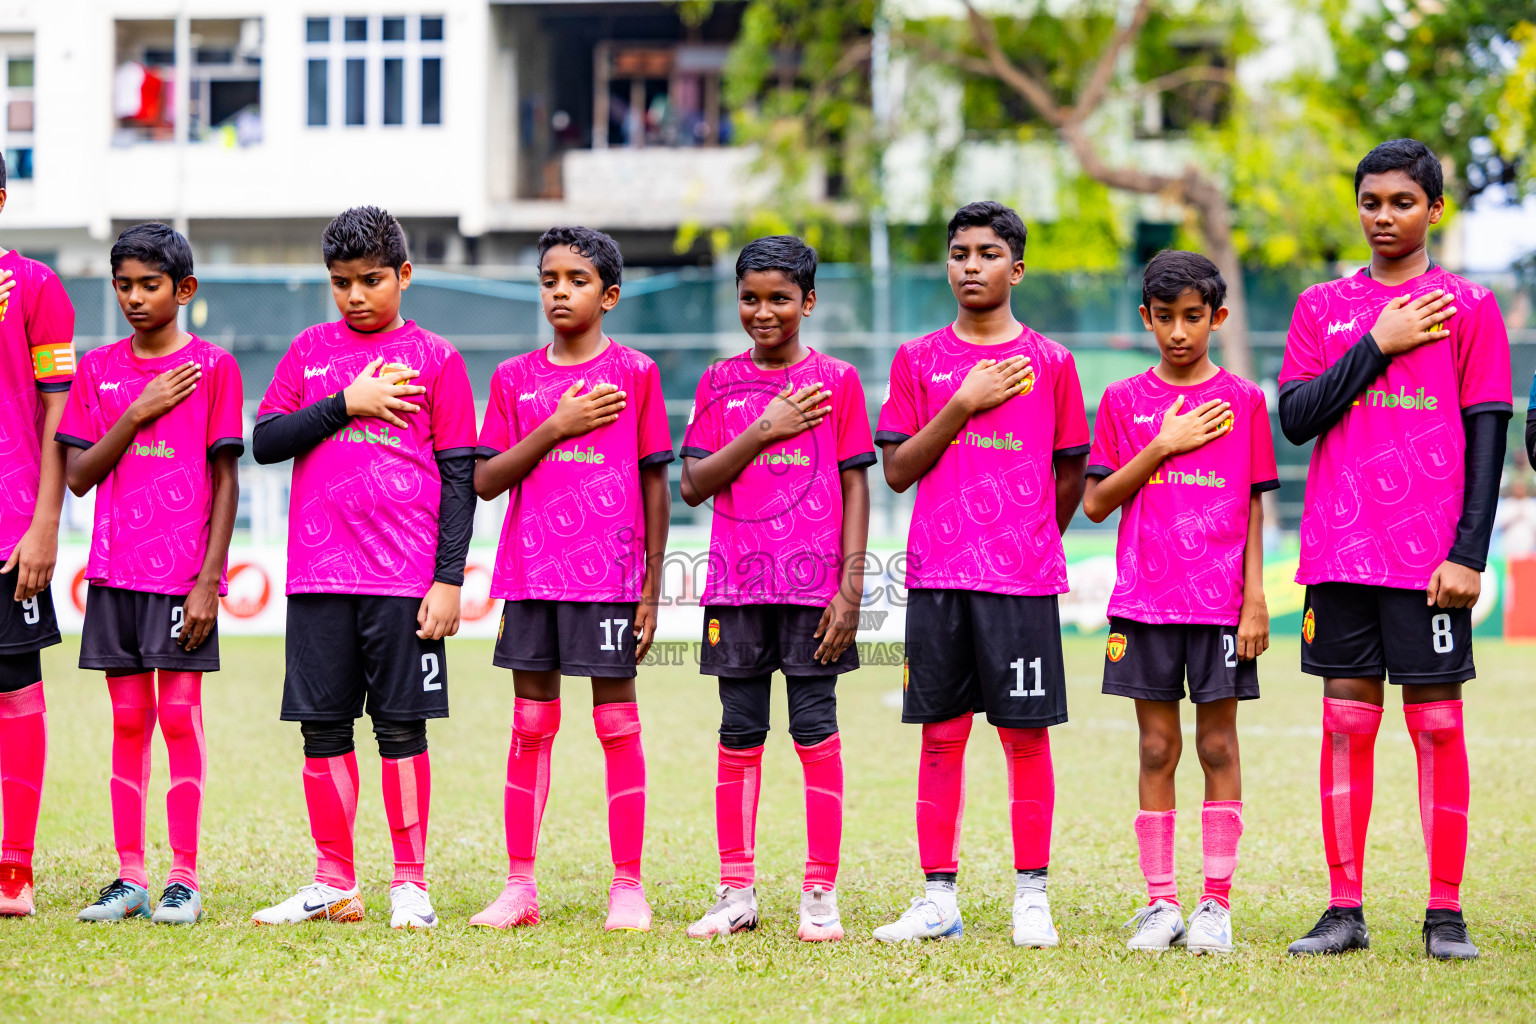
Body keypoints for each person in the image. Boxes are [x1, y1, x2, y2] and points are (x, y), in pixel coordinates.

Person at [1278, 139, 1511, 960]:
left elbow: (1489, 433)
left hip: (1430, 562)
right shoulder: (1322, 308)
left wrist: (1470, 552)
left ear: (1434, 211)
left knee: (1439, 728)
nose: (1385, 216)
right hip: (1342, 551)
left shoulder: (1471, 307)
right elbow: (1298, 418)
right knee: (1346, 726)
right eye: (1372, 201)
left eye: (1402, 202)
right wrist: (1379, 339)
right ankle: (1344, 911)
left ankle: (1444, 914)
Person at [249, 206, 477, 929]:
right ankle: (334, 882)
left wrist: (449, 578)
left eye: (371, 280)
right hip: (318, 576)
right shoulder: (309, 352)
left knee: (402, 729)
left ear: (403, 276)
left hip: (405, 583)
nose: (355, 295)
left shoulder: (438, 359)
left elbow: (459, 479)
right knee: (323, 730)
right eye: (341, 282)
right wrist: (345, 403)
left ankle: (409, 884)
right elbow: (266, 440)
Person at [871, 201, 1088, 947]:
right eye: (959, 251)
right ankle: (939, 899)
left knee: (1025, 738)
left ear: (1016, 269)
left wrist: (1029, 540)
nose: (971, 265)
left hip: (1020, 582)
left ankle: (1033, 896)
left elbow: (1071, 472)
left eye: (988, 253)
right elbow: (898, 470)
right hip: (938, 577)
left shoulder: (1053, 363)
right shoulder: (918, 360)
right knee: (940, 738)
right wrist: (961, 405)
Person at [469, 226, 672, 933]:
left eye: (577, 280)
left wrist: (649, 589)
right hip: (530, 578)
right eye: (549, 278)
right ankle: (519, 887)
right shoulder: (514, 379)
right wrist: (555, 426)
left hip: (609, 582)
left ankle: (628, 888)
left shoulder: (637, 374)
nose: (560, 290)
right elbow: (487, 481)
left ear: (609, 295)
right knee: (529, 726)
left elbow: (655, 488)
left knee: (617, 725)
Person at [677, 235, 874, 942]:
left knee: (815, 729)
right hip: (737, 589)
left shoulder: (839, 382)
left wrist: (849, 589)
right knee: (739, 733)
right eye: (751, 298)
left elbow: (856, 483)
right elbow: (693, 484)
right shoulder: (717, 382)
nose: (764, 312)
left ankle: (820, 894)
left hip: (815, 591)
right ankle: (736, 893)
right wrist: (765, 428)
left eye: (780, 298)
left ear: (809, 302)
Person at [1083, 250, 1278, 954]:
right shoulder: (1124, 402)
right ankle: (1161, 903)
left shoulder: (1247, 401)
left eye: (1192, 317)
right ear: (1146, 318)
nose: (1177, 331)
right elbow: (1098, 502)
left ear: (1217, 318)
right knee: (1158, 746)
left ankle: (1215, 906)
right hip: (1145, 603)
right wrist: (1161, 445)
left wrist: (1255, 598)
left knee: (1218, 744)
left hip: (1221, 606)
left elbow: (1256, 506)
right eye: (1164, 317)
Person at [56, 225, 241, 926]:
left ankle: (183, 880)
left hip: (181, 581)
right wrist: (135, 413)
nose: (135, 297)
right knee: (128, 721)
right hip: (113, 576)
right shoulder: (98, 369)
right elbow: (77, 477)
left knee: (178, 719)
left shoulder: (214, 368)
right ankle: (129, 876)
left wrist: (207, 581)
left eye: (150, 284)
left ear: (184, 290)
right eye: (124, 284)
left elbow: (225, 481)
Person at [0, 151, 75, 918]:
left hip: (8, 525)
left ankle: (13, 870)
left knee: (15, 691)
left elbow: (60, 407)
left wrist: (46, 521)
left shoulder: (35, 286)